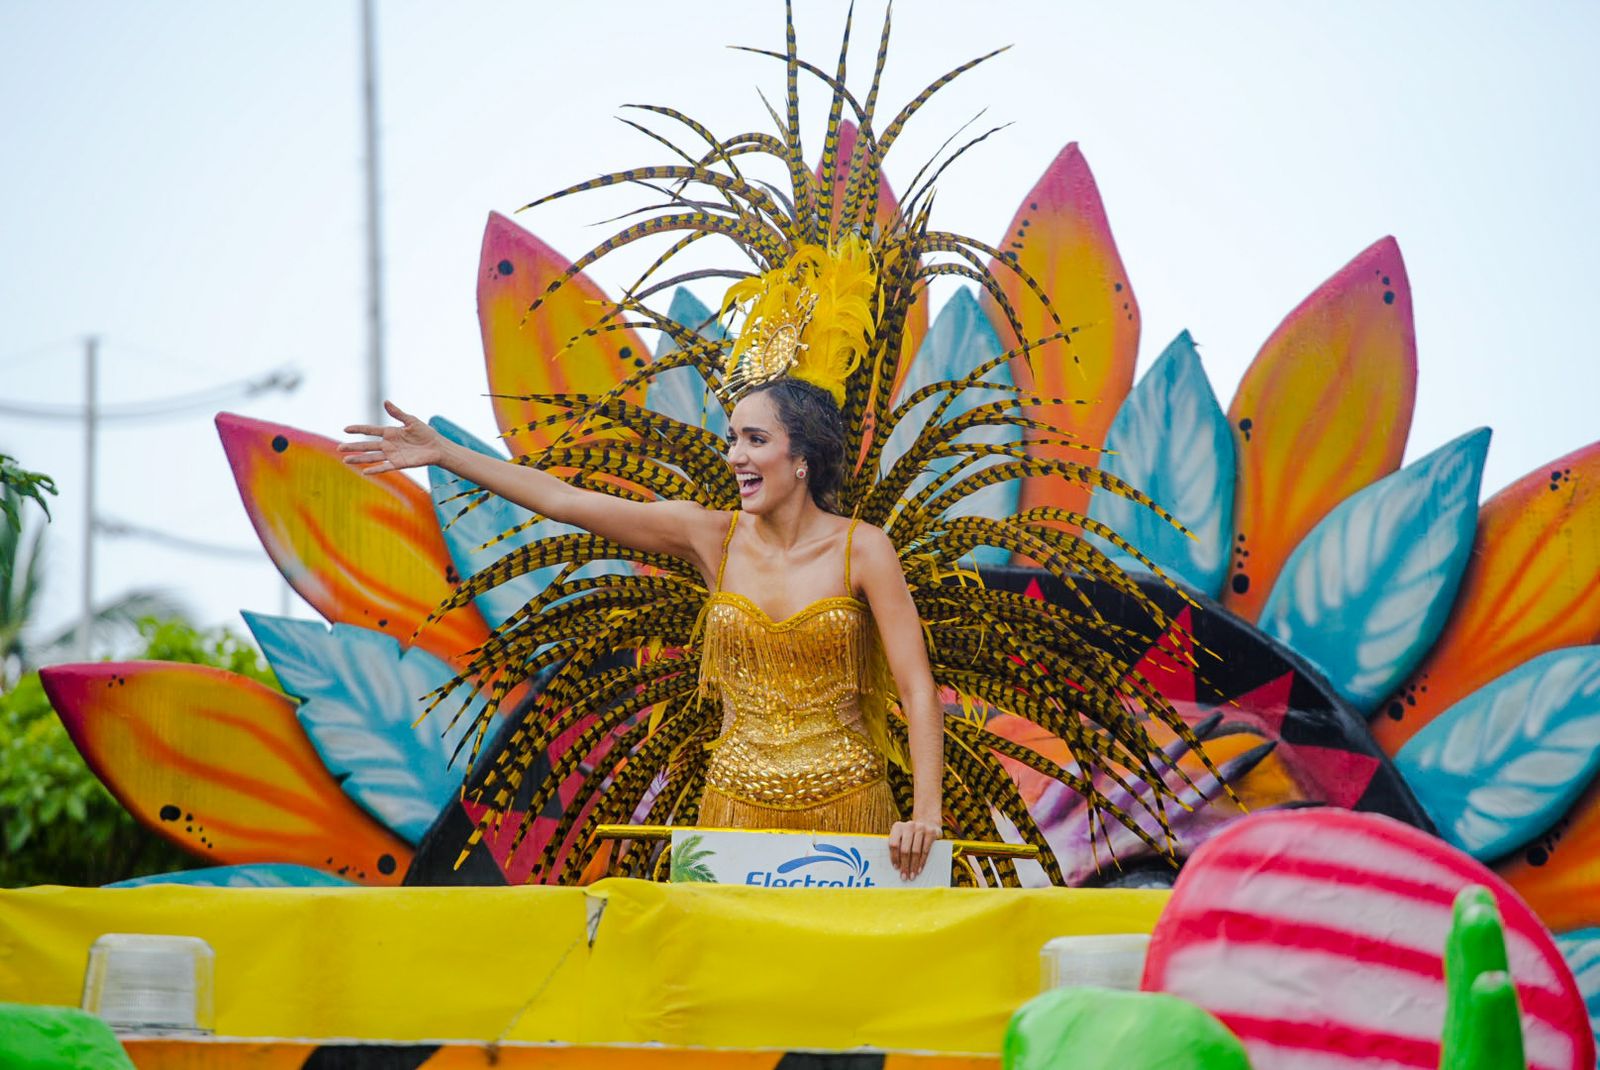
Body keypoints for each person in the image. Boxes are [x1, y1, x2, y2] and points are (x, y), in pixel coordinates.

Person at [340, 376, 945, 880]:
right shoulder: (709, 535)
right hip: (733, 813)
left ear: (803, 458)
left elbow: (917, 690)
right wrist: (446, 453)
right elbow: (564, 501)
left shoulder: (864, 550)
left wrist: (925, 815)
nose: (735, 455)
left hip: (851, 814)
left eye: (755, 440)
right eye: (732, 438)